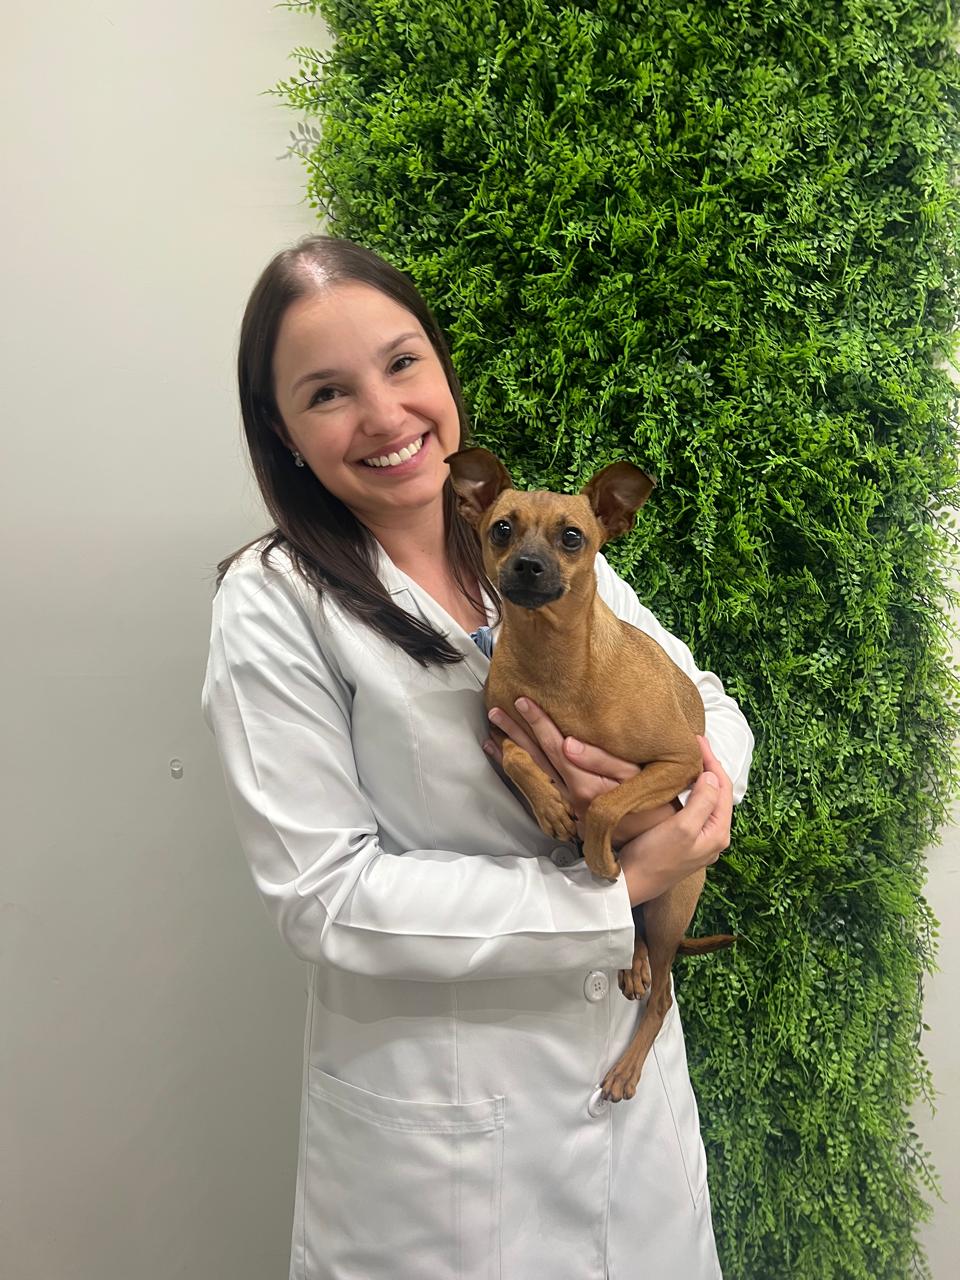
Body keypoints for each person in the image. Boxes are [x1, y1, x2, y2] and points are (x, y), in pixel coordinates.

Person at [201, 235, 754, 1280]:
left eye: (402, 362)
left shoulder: (553, 551)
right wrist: (621, 885)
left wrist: (696, 795)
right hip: (444, 1152)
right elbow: (325, 897)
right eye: (328, 392)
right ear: (281, 429)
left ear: (443, 370)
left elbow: (708, 704)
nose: (385, 414)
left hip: (631, 1118)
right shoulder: (272, 605)